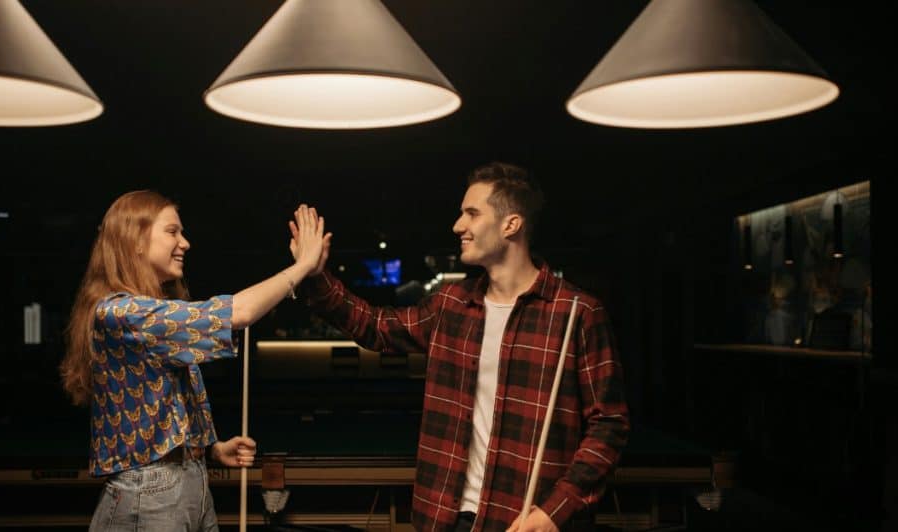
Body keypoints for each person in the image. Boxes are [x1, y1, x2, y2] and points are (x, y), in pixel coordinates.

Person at [289, 163, 629, 531]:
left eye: (472, 213)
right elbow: (377, 327)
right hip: (445, 518)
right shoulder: (451, 304)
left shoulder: (577, 312)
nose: (458, 226)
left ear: (510, 225)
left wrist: (554, 512)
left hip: (523, 520)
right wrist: (314, 274)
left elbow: (609, 426)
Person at [60, 191, 330, 531]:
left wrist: (211, 448)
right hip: (150, 492)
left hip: (188, 482)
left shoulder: (151, 312)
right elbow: (240, 312)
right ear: (136, 240)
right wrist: (302, 266)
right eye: (172, 231)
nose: (184, 243)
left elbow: (164, 399)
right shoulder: (120, 312)